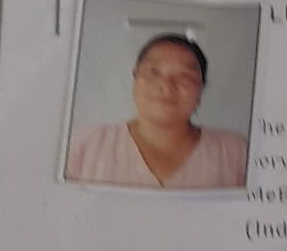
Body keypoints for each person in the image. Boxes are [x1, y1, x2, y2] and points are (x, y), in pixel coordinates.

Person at [66, 33, 247, 190]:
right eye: (153, 72)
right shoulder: (83, 145)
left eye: (185, 77)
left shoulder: (235, 153)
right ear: (135, 77)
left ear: (201, 88)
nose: (166, 86)